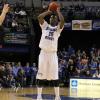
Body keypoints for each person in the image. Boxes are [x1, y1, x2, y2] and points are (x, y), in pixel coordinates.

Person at [36, 4, 64, 100]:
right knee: (41, 74)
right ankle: (39, 96)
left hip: (52, 54)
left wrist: (58, 12)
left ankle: (57, 96)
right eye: (51, 17)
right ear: (49, 19)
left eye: (54, 17)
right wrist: (48, 11)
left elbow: (63, 21)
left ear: (56, 21)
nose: (52, 18)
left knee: (55, 75)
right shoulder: (45, 26)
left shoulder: (57, 30)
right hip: (43, 53)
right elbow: (39, 17)